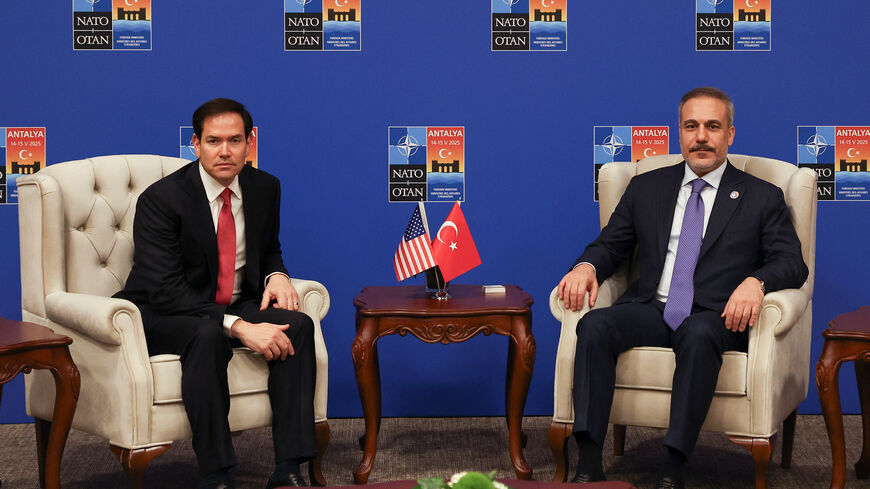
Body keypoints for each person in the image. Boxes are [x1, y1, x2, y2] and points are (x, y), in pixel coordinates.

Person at [556, 87, 808, 489]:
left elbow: (792, 263)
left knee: (698, 332)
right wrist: (586, 266)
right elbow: (611, 244)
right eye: (692, 126)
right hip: (654, 307)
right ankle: (588, 463)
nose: (701, 136)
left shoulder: (762, 197)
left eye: (713, 126)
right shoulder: (647, 187)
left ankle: (673, 466)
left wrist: (756, 282)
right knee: (595, 326)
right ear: (680, 132)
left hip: (716, 315)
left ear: (730, 134)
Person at [115, 98, 315, 489]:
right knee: (207, 335)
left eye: (235, 140)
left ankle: (288, 469)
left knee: (299, 325)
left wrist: (276, 274)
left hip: (229, 300)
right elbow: (165, 289)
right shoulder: (162, 199)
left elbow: (269, 247)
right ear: (196, 144)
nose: (224, 151)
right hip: (160, 311)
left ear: (248, 144)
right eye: (213, 141)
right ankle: (216, 474)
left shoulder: (264, 187)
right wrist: (237, 326)